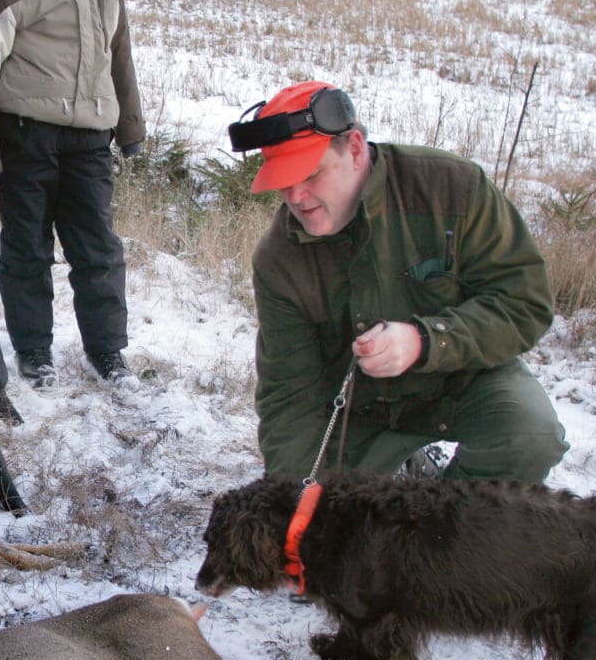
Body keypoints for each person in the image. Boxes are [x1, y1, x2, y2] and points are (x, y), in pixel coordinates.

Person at [242, 80, 568, 484]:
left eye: (310, 174)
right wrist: (297, 496)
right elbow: (289, 396)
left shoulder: (453, 189)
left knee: (530, 436)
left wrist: (426, 340)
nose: (296, 196)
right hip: (356, 412)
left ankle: (447, 523)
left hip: (461, 378)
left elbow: (525, 303)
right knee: (339, 520)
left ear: (356, 149)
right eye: (282, 182)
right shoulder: (279, 259)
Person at [0, 0, 145, 387]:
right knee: (26, 248)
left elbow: (119, 51)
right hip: (26, 135)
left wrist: (129, 126)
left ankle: (108, 353)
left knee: (98, 249)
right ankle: (34, 351)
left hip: (90, 137)